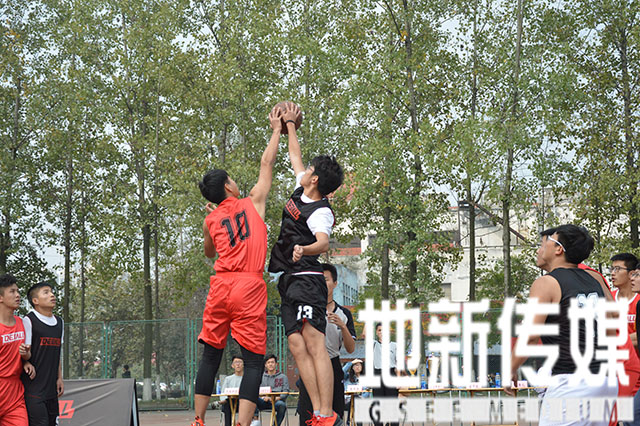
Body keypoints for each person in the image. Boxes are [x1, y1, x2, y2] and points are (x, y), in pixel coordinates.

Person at [190, 105, 285, 426]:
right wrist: (277, 129)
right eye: (231, 179)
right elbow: (266, 163)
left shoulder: (211, 219)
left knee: (211, 355)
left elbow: (209, 252)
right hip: (248, 285)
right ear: (229, 187)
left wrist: (211, 221)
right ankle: (243, 424)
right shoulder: (253, 202)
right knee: (254, 360)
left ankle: (198, 419)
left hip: (221, 285)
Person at [268, 105, 344, 426]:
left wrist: (305, 248)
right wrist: (289, 125)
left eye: (310, 168)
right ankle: (316, 411)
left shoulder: (321, 212)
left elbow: (323, 243)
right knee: (296, 345)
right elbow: (295, 155)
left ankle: (326, 412)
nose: (305, 167)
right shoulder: (302, 185)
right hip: (288, 279)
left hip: (308, 278)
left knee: (314, 343)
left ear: (315, 179)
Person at [506, 225, 618, 426]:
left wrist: (511, 368)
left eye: (546, 242)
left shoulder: (546, 283)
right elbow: (611, 325)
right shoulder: (595, 279)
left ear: (559, 249)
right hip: (605, 379)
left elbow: (531, 336)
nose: (541, 248)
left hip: (572, 381)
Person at [298, 263, 355, 425]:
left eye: (325, 279)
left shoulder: (344, 314)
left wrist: (343, 326)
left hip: (332, 364)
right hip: (310, 366)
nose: (321, 283)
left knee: (334, 414)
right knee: (308, 415)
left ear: (335, 283)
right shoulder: (306, 310)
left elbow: (350, 349)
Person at [22, 281, 64, 426]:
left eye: (52, 292)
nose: (52, 295)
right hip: (34, 390)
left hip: (52, 390)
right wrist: (25, 361)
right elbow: (24, 353)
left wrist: (60, 378)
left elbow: (58, 353)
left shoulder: (60, 322)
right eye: (46, 292)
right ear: (35, 301)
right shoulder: (28, 320)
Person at [0, 274, 35, 426]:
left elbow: (25, 354)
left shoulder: (22, 323)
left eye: (18, 291)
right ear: (0, 298)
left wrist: (25, 359)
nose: (18, 295)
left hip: (14, 393)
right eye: (12, 291)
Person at [610, 253, 640, 353]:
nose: (613, 273)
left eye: (617, 269)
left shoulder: (638, 300)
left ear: (631, 273)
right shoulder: (608, 298)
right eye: (612, 269)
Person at [372, 322, 398, 426]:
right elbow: (364, 334)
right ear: (376, 332)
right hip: (378, 375)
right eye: (379, 330)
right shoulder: (374, 344)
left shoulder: (395, 345)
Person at [256, 354, 289, 426]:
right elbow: (257, 390)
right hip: (263, 401)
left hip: (277, 402)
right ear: (265, 365)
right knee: (252, 400)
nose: (270, 364)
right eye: (268, 362)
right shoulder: (260, 377)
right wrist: (264, 397)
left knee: (282, 405)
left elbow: (286, 392)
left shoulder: (283, 377)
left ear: (276, 364)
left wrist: (276, 398)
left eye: (272, 362)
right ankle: (255, 422)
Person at [220, 356, 245, 426]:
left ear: (243, 365)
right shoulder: (228, 379)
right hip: (231, 402)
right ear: (232, 365)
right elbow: (223, 393)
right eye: (236, 362)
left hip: (243, 402)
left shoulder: (247, 379)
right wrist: (224, 399)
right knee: (227, 405)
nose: (238, 364)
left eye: (240, 362)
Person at [343, 359, 370, 426]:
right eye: (355, 365)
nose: (357, 367)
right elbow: (341, 372)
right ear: (352, 367)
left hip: (361, 402)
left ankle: (349, 422)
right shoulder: (347, 377)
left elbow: (367, 392)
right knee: (354, 398)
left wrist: (362, 398)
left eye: (359, 365)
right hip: (347, 401)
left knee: (357, 399)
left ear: (362, 367)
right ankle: (357, 423)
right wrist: (350, 363)